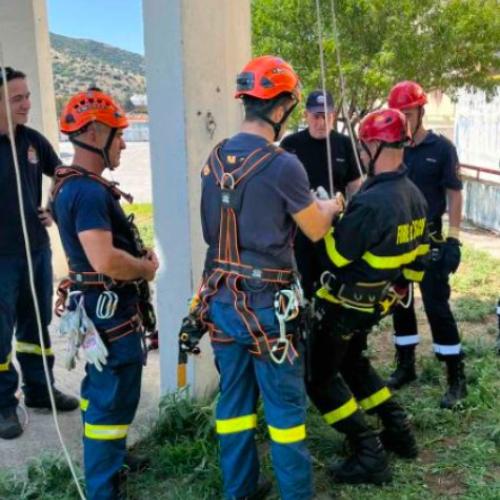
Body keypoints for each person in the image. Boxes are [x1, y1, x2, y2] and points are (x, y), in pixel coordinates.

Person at [179, 55, 341, 500]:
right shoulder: (283, 164)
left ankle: (240, 490)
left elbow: (213, 228)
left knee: (233, 402)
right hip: (269, 307)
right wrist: (331, 206)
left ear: (246, 100)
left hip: (222, 300)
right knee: (284, 411)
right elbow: (313, 228)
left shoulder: (213, 159)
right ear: (285, 105)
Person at [306, 108, 429, 485]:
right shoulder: (414, 196)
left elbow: (335, 255)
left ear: (375, 145)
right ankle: (398, 430)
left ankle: (367, 449)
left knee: (319, 378)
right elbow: (416, 265)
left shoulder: (373, 203)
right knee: (355, 364)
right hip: (375, 303)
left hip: (343, 306)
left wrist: (330, 214)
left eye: (362, 146)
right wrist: (396, 287)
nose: (360, 154)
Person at [51, 87, 159, 499]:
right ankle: (102, 488)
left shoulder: (74, 185)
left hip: (102, 310)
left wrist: (133, 252)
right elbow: (105, 261)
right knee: (110, 397)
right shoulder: (89, 191)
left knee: (108, 393)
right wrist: (144, 269)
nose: (125, 143)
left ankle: (113, 458)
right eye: (119, 133)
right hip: (111, 315)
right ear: (95, 133)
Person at [0, 67, 78, 440]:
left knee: (35, 325)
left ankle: (39, 391)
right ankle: (2, 405)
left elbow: (62, 172)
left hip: (35, 253)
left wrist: (54, 205)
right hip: (0, 261)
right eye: (17, 98)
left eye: (27, 96)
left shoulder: (32, 142)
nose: (27, 104)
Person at [387, 81, 466, 408]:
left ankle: (455, 377)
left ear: (421, 111)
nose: (403, 119)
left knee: (436, 307)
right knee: (399, 304)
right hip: (397, 240)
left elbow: (454, 192)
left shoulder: (442, 149)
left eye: (408, 112)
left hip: (430, 240)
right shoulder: (392, 148)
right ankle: (406, 366)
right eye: (398, 114)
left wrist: (454, 239)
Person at [281, 90, 363, 299]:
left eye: (327, 116)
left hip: (335, 231)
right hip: (299, 232)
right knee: (302, 289)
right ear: (306, 115)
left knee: (333, 288)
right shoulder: (291, 145)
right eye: (316, 116)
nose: (321, 122)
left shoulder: (345, 144)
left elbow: (356, 186)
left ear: (333, 116)